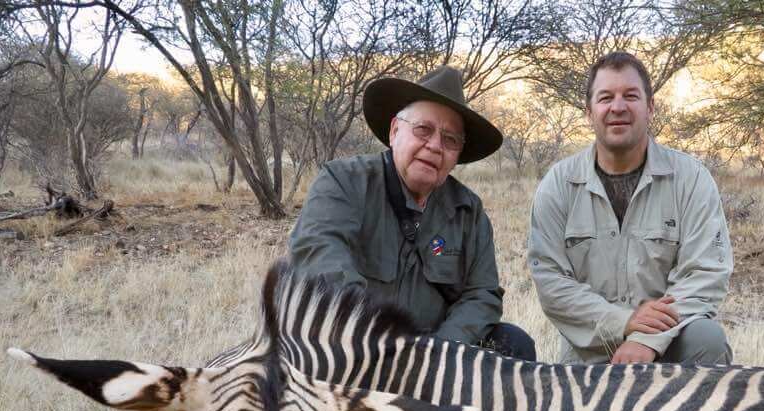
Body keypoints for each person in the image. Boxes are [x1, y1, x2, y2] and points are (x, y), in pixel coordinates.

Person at [289, 65, 536, 361]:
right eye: (423, 130)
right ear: (395, 131)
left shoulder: (468, 210)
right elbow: (320, 257)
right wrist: (374, 336)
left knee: (513, 343)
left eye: (450, 140)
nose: (434, 146)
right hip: (352, 345)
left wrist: (440, 350)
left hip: (435, 355)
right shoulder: (343, 181)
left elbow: (482, 295)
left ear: (457, 155)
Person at [527, 52, 733, 365]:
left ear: (650, 107)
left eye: (631, 96)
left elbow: (705, 272)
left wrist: (645, 339)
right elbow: (552, 283)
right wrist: (621, 322)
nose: (618, 107)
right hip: (590, 352)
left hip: (667, 347)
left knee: (708, 339)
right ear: (589, 111)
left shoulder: (691, 179)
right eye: (606, 97)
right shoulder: (558, 184)